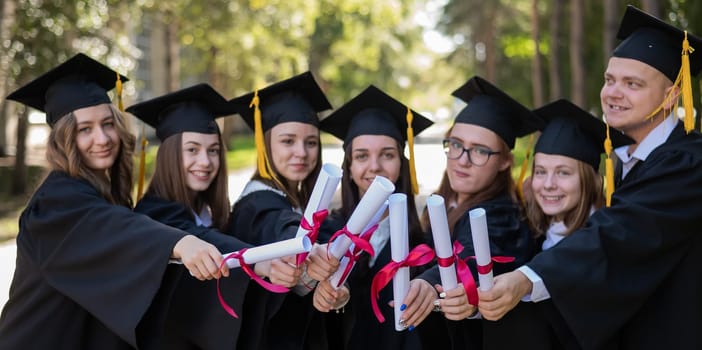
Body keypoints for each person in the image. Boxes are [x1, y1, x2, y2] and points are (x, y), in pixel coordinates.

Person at [478, 6, 702, 349]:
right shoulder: (629, 163)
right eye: (610, 80)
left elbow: (619, 233)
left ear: (671, 95)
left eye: (632, 84)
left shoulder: (688, 163)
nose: (612, 93)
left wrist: (526, 279)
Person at [0, 53, 228, 350]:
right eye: (85, 129)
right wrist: (179, 243)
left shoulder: (102, 193)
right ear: (63, 138)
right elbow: (112, 228)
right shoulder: (55, 200)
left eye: (108, 124)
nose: (103, 138)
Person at [127, 83, 301, 349]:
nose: (206, 162)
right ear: (170, 155)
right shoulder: (155, 212)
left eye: (213, 150)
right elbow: (198, 237)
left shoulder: (209, 212)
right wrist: (259, 262)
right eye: (192, 150)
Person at [399, 76, 545, 350]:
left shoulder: (503, 217)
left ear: (505, 161)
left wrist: (430, 283)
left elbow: (471, 253)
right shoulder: (445, 202)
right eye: (456, 144)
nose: (462, 160)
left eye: (480, 151)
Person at [315, 85, 434, 350]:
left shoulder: (424, 240)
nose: (375, 166)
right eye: (361, 156)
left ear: (402, 164)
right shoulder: (328, 232)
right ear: (349, 166)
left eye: (387, 155)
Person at [227, 71, 339, 350]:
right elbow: (278, 225)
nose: (301, 152)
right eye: (288, 141)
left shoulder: (297, 197)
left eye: (311, 142)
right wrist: (302, 244)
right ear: (265, 145)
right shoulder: (257, 203)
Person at [523, 99, 635, 348]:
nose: (548, 183)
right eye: (541, 171)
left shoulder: (605, 247)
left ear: (589, 180)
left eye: (563, 172)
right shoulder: (534, 233)